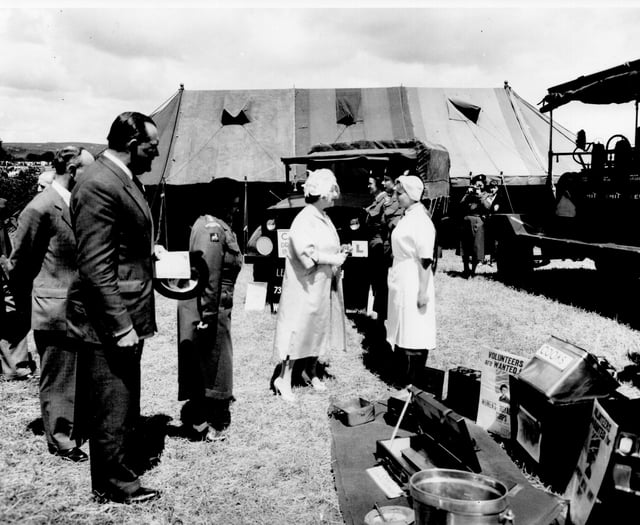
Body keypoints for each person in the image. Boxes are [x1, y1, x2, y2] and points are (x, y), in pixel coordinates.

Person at [66, 112, 160, 504]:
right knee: (112, 401)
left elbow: (120, 247)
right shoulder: (100, 184)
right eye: (151, 146)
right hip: (109, 318)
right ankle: (113, 484)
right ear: (132, 144)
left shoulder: (119, 177)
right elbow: (94, 267)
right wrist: (120, 325)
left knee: (121, 399)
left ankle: (119, 467)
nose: (156, 153)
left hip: (126, 310)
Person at [9, 146, 94, 462]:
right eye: (88, 169)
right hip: (53, 308)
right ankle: (60, 440)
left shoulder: (77, 203)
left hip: (80, 307)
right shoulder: (40, 207)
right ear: (73, 170)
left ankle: (76, 428)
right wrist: (34, 301)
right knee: (58, 376)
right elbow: (19, 264)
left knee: (78, 372)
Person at [272, 169, 348, 402]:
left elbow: (325, 246)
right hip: (305, 285)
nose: (336, 195)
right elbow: (306, 253)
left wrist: (339, 252)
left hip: (321, 284)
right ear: (323, 193)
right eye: (333, 190)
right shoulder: (305, 218)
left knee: (318, 327)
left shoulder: (323, 216)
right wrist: (334, 258)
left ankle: (310, 370)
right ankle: (283, 379)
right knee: (297, 328)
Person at [177, 178, 243, 441]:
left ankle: (206, 411)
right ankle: (205, 419)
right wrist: (207, 316)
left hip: (217, 303)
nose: (237, 207)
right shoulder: (211, 229)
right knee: (210, 362)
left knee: (212, 361)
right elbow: (209, 276)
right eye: (234, 200)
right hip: (210, 305)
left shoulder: (218, 225)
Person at [386, 175, 436, 388]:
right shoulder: (408, 216)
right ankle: (403, 376)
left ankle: (413, 381)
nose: (396, 197)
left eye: (400, 193)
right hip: (402, 275)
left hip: (415, 278)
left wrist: (423, 291)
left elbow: (425, 259)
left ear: (412, 195)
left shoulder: (421, 221)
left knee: (415, 328)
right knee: (402, 325)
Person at [0, 197, 37, 380]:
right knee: (14, 319)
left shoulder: (10, 226)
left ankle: (14, 366)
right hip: (9, 280)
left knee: (15, 319)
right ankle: (16, 367)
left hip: (11, 280)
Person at [364, 174, 388, 320]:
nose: (368, 186)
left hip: (378, 244)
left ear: (378, 184)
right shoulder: (377, 200)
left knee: (379, 279)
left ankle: (380, 313)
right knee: (375, 278)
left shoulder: (384, 201)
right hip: (373, 243)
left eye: (370, 183)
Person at [458, 174, 490, 277]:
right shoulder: (469, 193)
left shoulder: (486, 194)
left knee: (476, 247)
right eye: (477, 184)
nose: (478, 186)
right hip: (467, 220)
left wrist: (480, 195)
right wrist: (468, 193)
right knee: (465, 246)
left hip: (478, 221)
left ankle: (473, 271)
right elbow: (461, 203)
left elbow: (487, 206)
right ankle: (466, 269)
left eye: (480, 184)